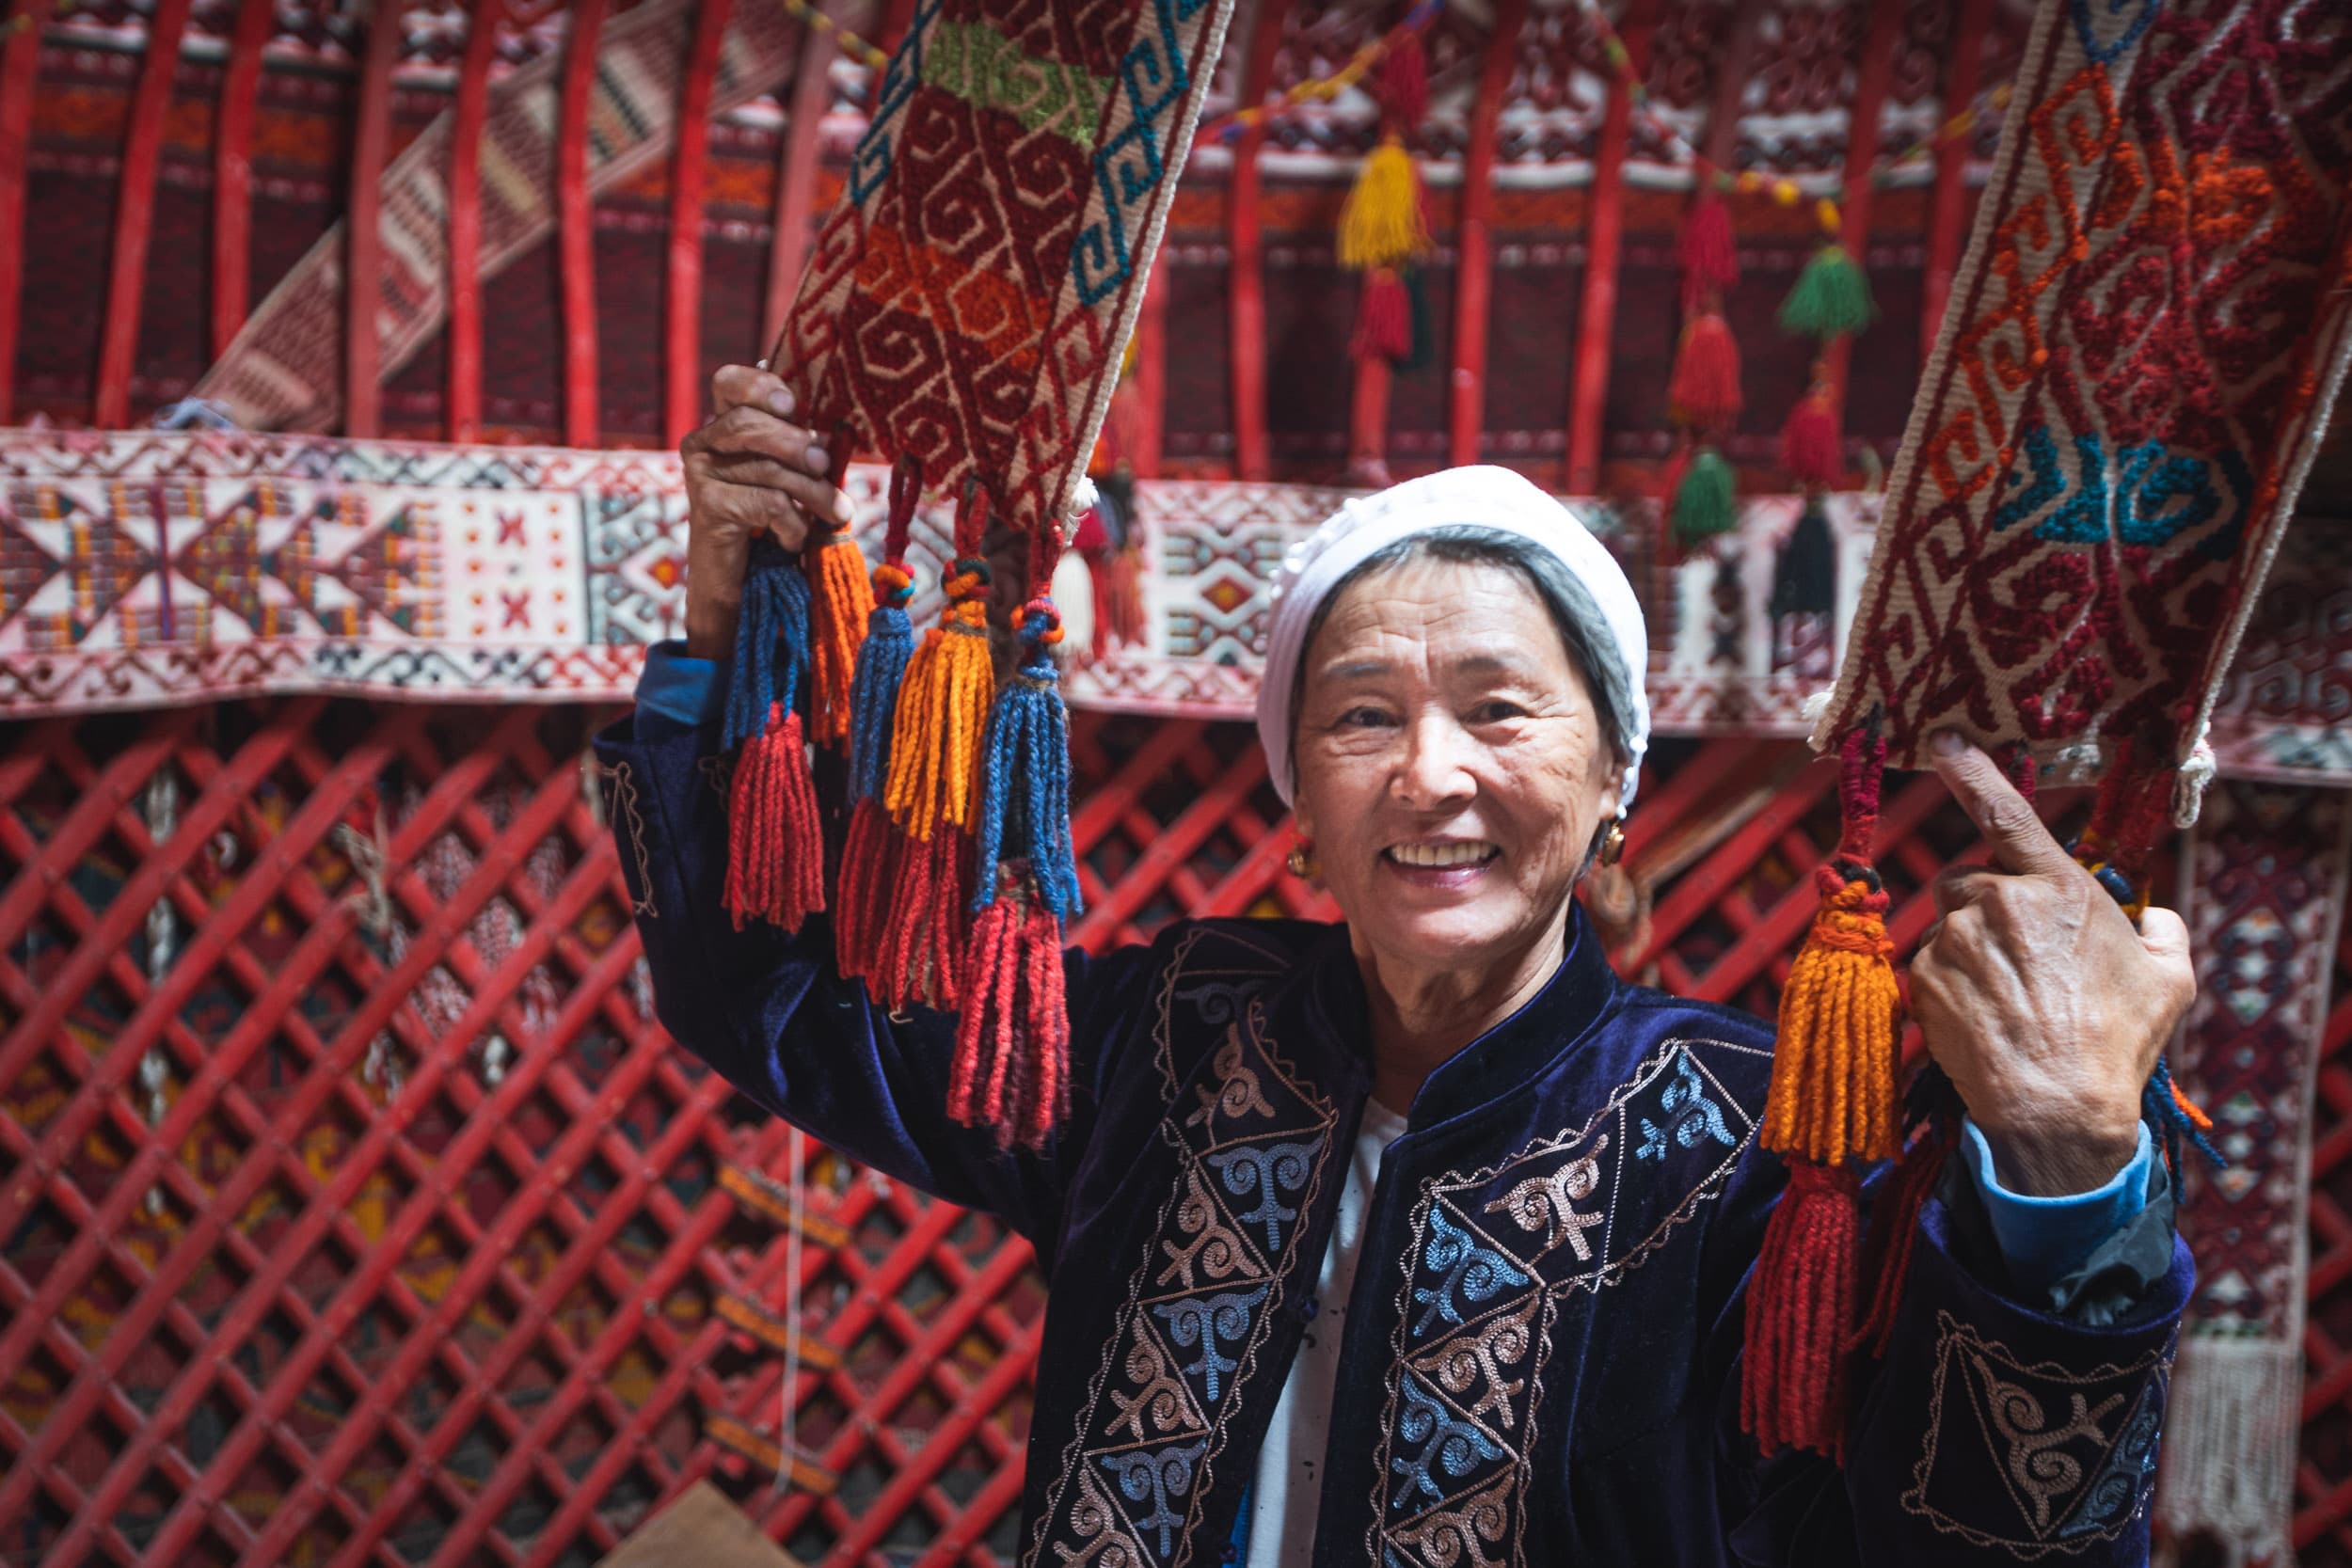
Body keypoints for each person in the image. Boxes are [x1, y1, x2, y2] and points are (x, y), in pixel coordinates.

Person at [596, 362, 2195, 1566]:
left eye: (1501, 710)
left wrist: (2070, 1173)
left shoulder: (1745, 1151)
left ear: (1613, 784)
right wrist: (727, 612)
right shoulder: (1170, 1041)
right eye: (1364, 716)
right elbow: (773, 993)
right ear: (1300, 806)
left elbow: (1988, 1543)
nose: (1431, 776)